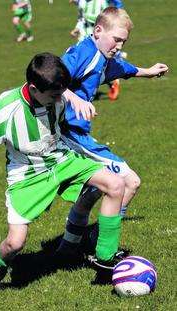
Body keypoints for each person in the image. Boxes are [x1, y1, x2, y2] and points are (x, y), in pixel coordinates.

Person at [0, 52, 129, 296]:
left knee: (115, 184)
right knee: (14, 243)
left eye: (62, 93)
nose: (60, 98)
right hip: (28, 175)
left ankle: (104, 260)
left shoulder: (56, 91)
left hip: (60, 159)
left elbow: (62, 98)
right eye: (55, 95)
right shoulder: (10, 107)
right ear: (34, 88)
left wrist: (75, 99)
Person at [57, 7, 168, 256]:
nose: (118, 45)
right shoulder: (83, 52)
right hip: (69, 136)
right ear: (98, 30)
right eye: (116, 39)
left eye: (123, 41)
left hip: (76, 135)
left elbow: (122, 68)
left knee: (94, 189)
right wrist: (75, 99)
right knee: (131, 181)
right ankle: (100, 242)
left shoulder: (102, 56)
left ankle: (69, 246)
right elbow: (52, 78)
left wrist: (148, 71)